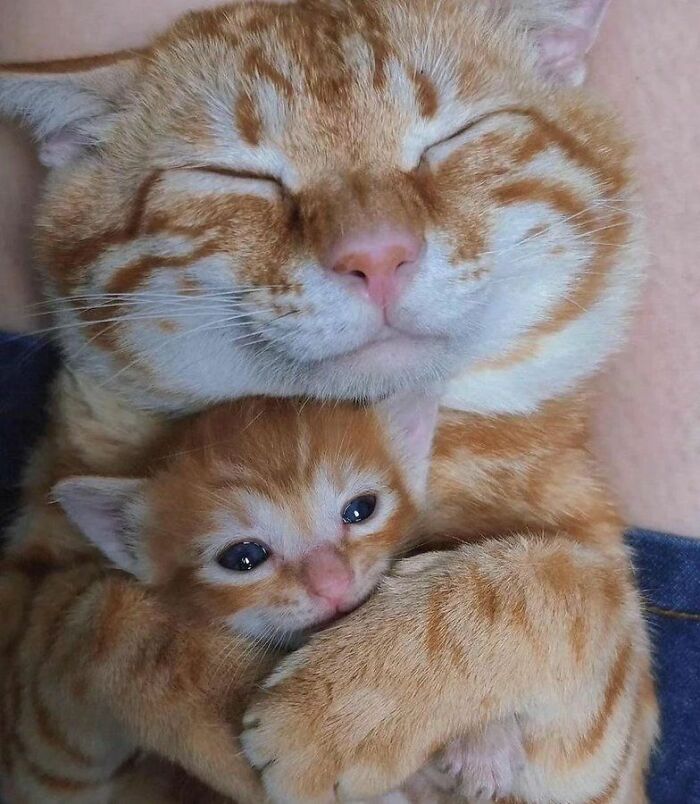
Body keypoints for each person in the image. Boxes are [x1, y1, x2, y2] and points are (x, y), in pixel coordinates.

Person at [1, 1, 698, 800]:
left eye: (449, 145)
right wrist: (151, 660)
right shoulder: (110, 464)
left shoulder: (539, 501)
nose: (372, 246)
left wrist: (514, 621)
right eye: (239, 180)